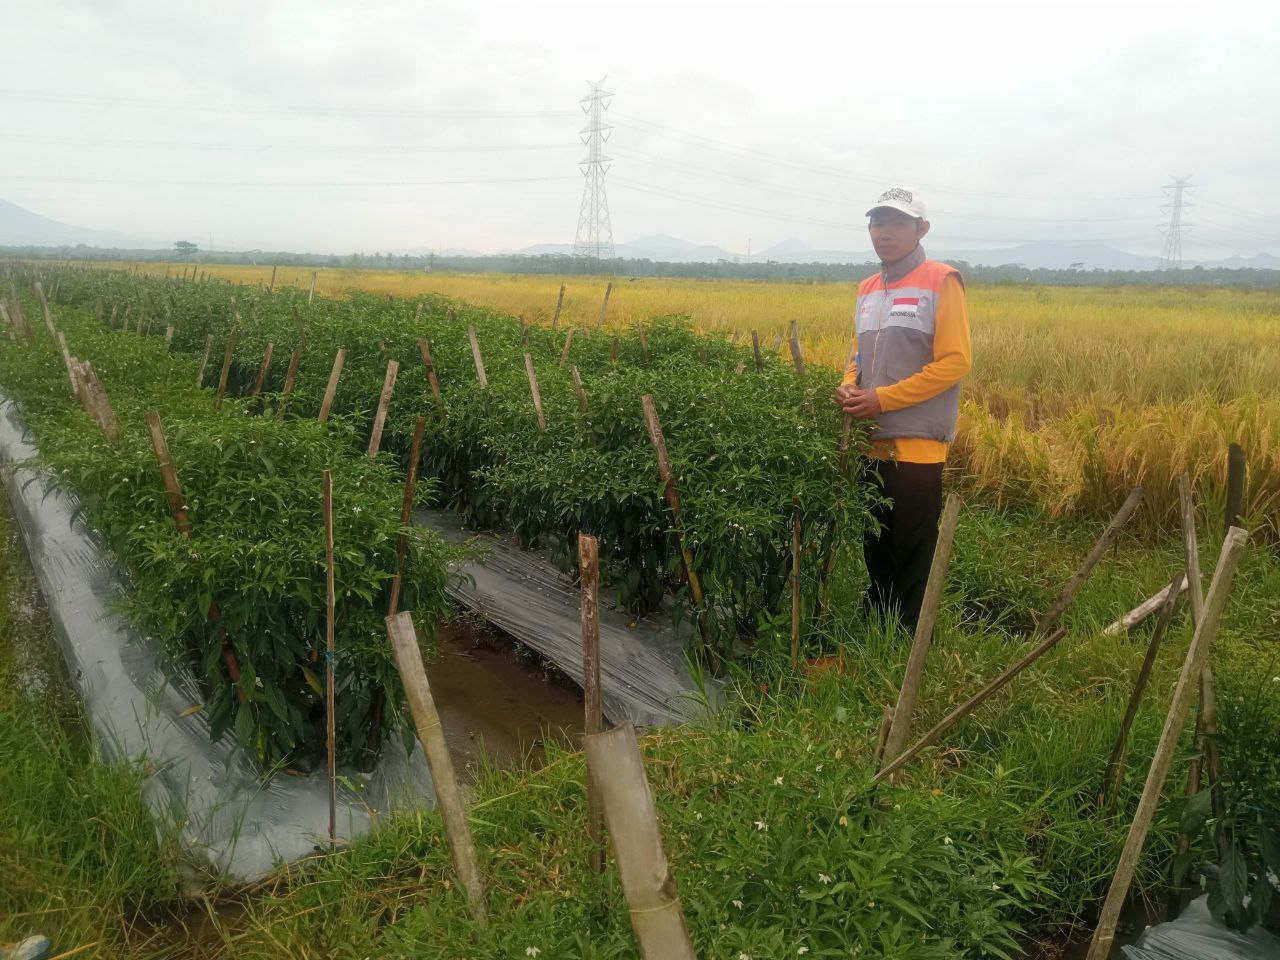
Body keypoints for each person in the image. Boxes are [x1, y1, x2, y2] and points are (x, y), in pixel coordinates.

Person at [834, 187, 971, 634]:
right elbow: (860, 353)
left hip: (916, 445)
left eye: (896, 223)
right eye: (877, 223)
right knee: (876, 544)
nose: (884, 233)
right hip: (870, 442)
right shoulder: (869, 288)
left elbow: (955, 362)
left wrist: (882, 399)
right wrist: (849, 386)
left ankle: (906, 640)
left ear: (921, 229)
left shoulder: (941, 280)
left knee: (911, 546)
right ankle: (876, 627)